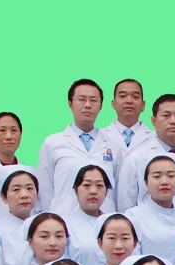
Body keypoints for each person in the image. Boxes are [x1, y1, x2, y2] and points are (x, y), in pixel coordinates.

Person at [36, 79, 122, 215]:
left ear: (101, 106)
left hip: (103, 219)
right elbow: (44, 189)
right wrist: (50, 219)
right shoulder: (53, 143)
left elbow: (118, 191)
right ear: (70, 104)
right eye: (82, 99)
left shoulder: (113, 147)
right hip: (64, 218)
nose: (88, 105)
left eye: (93, 100)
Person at [116, 93, 175, 215]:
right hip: (147, 226)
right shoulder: (135, 159)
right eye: (166, 116)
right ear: (154, 121)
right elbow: (125, 206)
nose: (173, 121)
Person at [125, 157, 175, 264]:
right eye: (157, 176)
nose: (164, 182)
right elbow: (133, 260)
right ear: (146, 182)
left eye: (171, 176)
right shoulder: (133, 216)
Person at [0, 166, 39, 265]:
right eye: (16, 189)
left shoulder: (48, 225)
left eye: (30, 188)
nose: (24, 195)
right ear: (4, 197)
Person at [64, 165, 109, 265]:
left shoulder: (116, 224)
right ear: (76, 190)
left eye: (99, 185)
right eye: (86, 185)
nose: (93, 191)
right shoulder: (65, 225)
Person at [106, 79, 151, 151]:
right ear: (113, 104)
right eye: (122, 96)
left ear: (143, 105)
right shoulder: (100, 136)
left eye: (135, 96)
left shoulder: (157, 138)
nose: (129, 101)